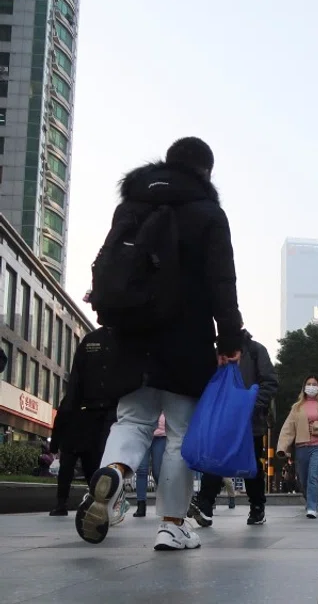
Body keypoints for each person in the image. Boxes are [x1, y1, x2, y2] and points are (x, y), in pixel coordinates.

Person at [75, 137, 244, 551]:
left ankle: (114, 471)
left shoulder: (131, 205)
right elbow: (222, 282)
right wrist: (230, 337)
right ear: (206, 171)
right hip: (186, 336)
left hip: (131, 333)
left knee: (131, 421)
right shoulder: (208, 214)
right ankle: (171, 525)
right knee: (180, 435)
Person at [191, 330, 278, 526]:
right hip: (222, 419)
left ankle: (257, 507)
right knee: (214, 459)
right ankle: (205, 504)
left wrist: (253, 405)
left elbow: (270, 381)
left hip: (250, 419)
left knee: (251, 463)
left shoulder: (256, 351)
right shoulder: (216, 354)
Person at [49, 327, 122, 517]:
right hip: (83, 425)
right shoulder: (90, 341)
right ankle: (72, 502)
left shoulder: (125, 337)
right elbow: (75, 379)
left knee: (97, 463)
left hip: (110, 410)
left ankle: (104, 502)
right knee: (83, 468)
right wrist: (55, 443)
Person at [276, 376, 318, 519]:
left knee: (313, 476)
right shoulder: (297, 407)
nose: (311, 386)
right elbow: (288, 428)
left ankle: (312, 507)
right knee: (303, 478)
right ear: (304, 387)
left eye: (314, 384)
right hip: (301, 446)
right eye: (309, 384)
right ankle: (311, 499)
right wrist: (282, 447)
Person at [133, 414, 166, 518]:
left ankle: (165, 504)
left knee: (158, 472)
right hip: (143, 433)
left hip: (161, 435)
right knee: (141, 470)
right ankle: (141, 505)